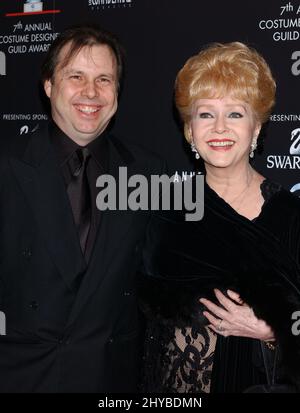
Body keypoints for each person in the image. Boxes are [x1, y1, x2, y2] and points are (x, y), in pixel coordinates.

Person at [0, 24, 164, 392]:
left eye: (104, 79)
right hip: (19, 376)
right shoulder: (6, 167)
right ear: (48, 85)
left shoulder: (147, 172)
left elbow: (172, 271)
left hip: (109, 379)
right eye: (76, 76)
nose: (91, 92)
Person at [139, 42, 300, 393]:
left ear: (256, 128)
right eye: (206, 113)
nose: (220, 128)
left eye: (236, 114)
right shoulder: (165, 211)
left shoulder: (291, 217)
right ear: (189, 130)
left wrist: (275, 329)